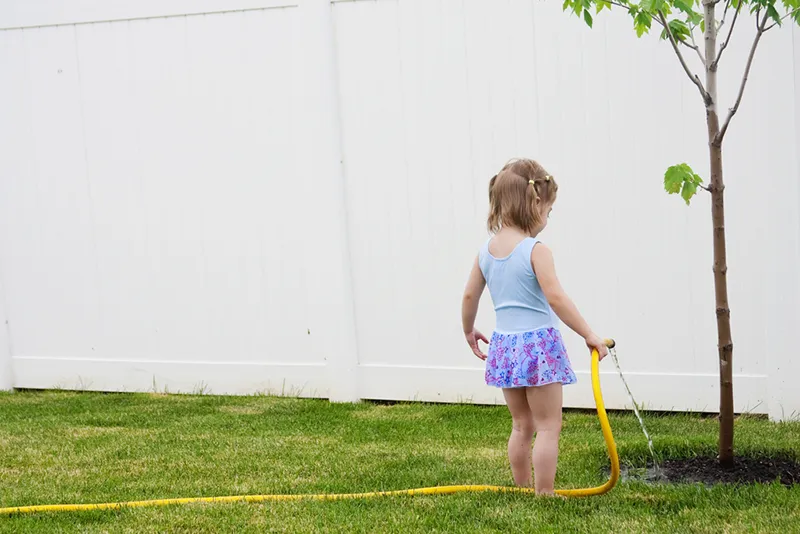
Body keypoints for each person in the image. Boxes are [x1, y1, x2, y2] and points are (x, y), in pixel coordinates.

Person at [461, 158, 608, 496]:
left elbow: (470, 294)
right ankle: (544, 494)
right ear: (535, 204)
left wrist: (469, 330)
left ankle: (521, 487)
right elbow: (556, 297)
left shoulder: (486, 251)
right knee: (548, 426)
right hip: (537, 347)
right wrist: (588, 333)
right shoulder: (535, 251)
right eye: (549, 210)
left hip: (505, 347)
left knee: (521, 424)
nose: (548, 217)